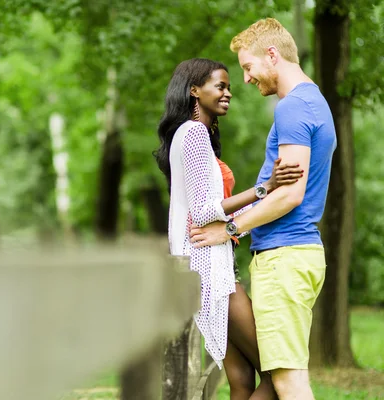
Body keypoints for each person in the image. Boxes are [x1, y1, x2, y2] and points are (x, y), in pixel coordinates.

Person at [189, 18, 337, 400]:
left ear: (272, 55)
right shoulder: (315, 101)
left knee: (288, 382)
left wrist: (230, 229)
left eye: (248, 67)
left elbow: (290, 195)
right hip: (295, 255)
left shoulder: (292, 108)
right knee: (279, 379)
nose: (248, 78)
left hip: (285, 257)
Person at [154, 58, 302, 399]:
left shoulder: (192, 136)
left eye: (229, 87)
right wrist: (266, 187)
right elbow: (205, 212)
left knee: (242, 381)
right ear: (194, 90)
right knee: (278, 375)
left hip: (203, 267)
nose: (228, 93)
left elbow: (208, 211)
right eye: (220, 86)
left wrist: (265, 200)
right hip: (211, 274)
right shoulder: (192, 134)